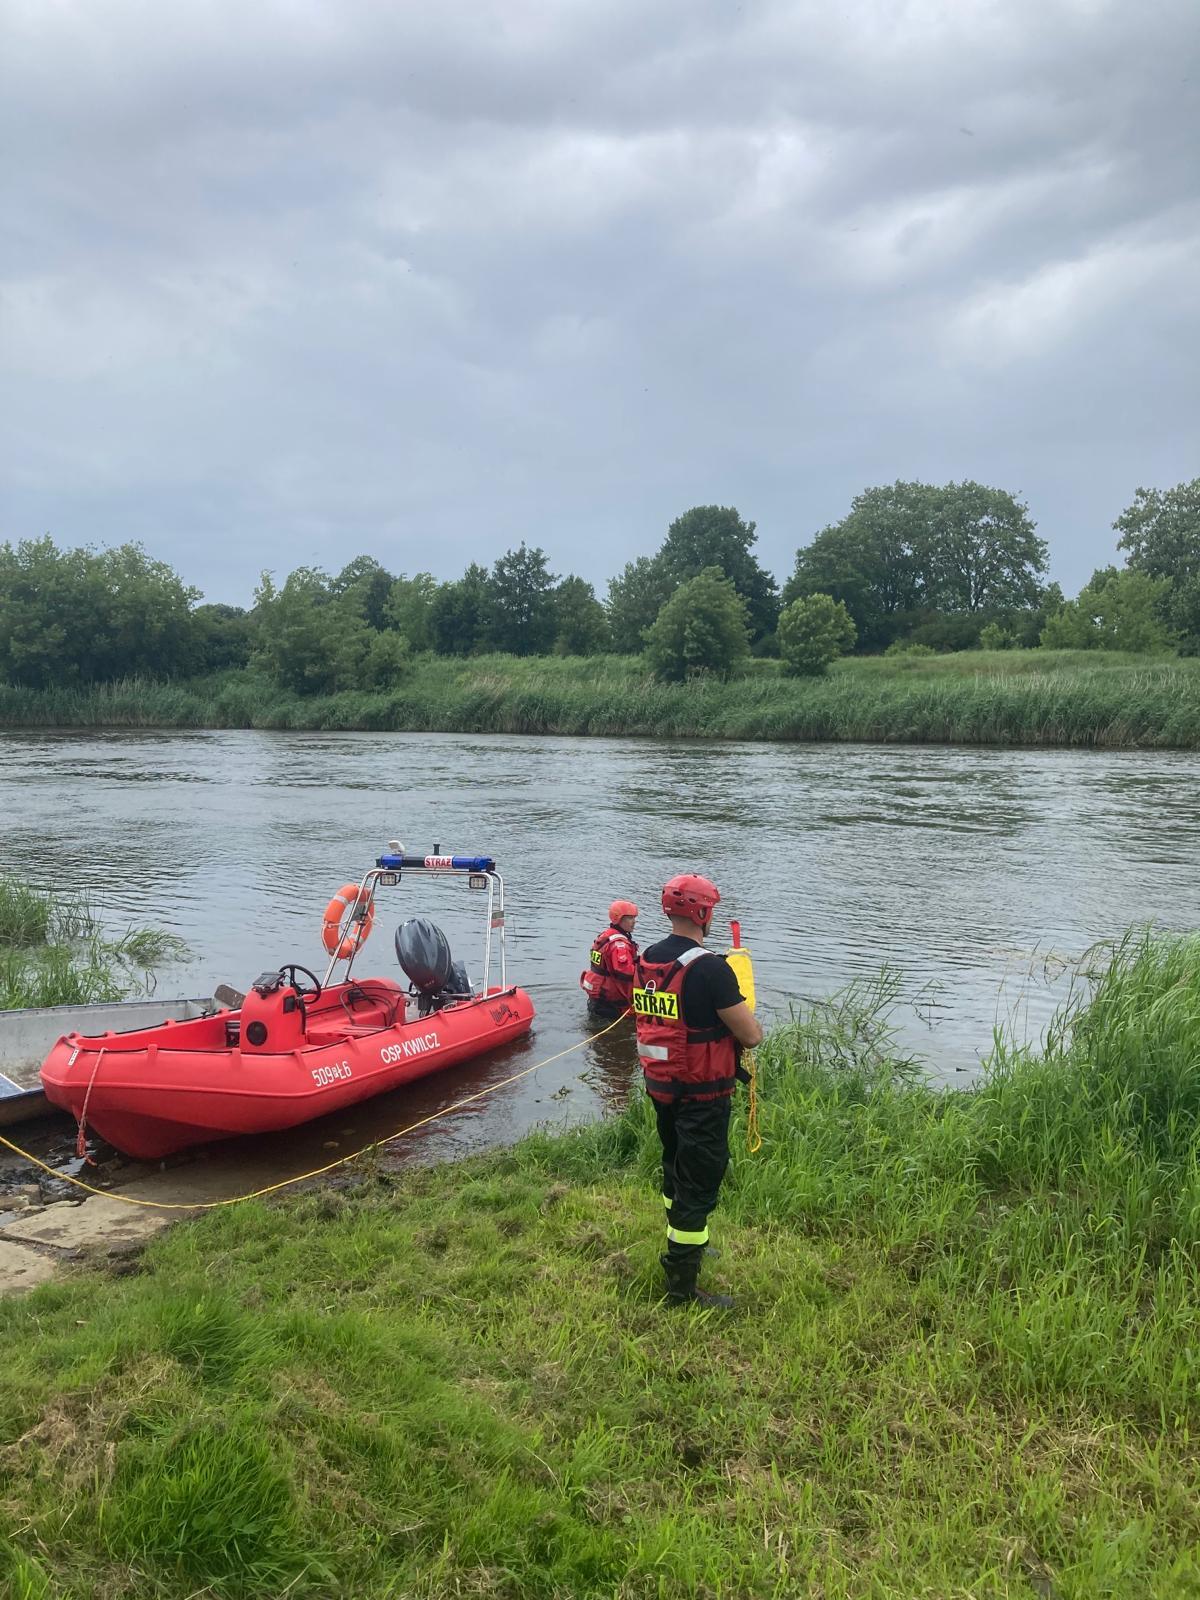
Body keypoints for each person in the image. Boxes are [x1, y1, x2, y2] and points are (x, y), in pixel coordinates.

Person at [634, 873, 763, 1308]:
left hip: (662, 1087)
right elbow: (751, 1036)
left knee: (675, 1166)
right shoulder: (711, 968)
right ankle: (682, 1287)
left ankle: (687, 1239)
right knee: (699, 1181)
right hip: (703, 1095)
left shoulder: (647, 959)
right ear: (704, 913)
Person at [580, 899, 639, 1019]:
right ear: (618, 919)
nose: (634, 922)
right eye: (629, 918)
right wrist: (645, 969)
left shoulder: (606, 936)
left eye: (634, 918)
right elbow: (625, 971)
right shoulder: (619, 945)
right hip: (611, 1002)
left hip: (599, 996)